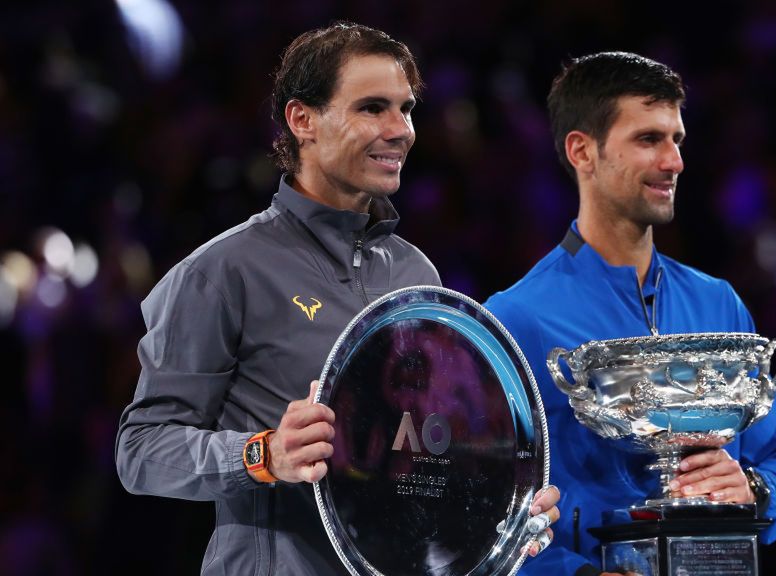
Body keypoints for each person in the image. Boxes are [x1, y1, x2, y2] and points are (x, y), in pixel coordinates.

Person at [115, 22, 559, 575]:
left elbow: (420, 450)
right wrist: (264, 454)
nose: (402, 130)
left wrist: (503, 505)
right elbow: (140, 451)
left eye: (407, 109)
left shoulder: (414, 272)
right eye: (373, 108)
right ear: (303, 120)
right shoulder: (222, 271)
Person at [485, 52, 776, 576]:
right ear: (582, 151)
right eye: (648, 139)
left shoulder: (719, 303)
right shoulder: (517, 319)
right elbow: (487, 511)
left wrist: (753, 490)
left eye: (676, 140)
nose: (673, 161)